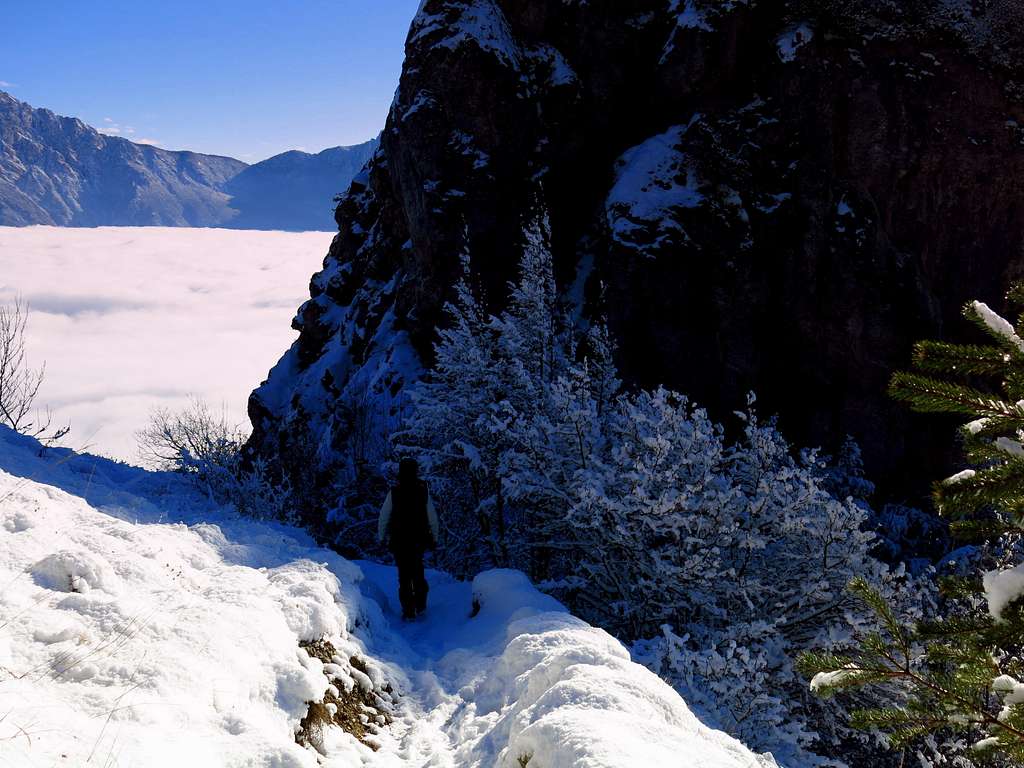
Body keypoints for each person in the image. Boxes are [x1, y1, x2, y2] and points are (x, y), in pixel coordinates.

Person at [377, 457, 439, 620]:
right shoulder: (422, 490)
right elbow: (432, 516)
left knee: (404, 575)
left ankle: (408, 610)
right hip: (419, 539)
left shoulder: (395, 492)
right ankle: (421, 605)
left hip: (399, 540)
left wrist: (381, 536)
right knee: (418, 571)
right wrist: (435, 536)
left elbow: (384, 516)